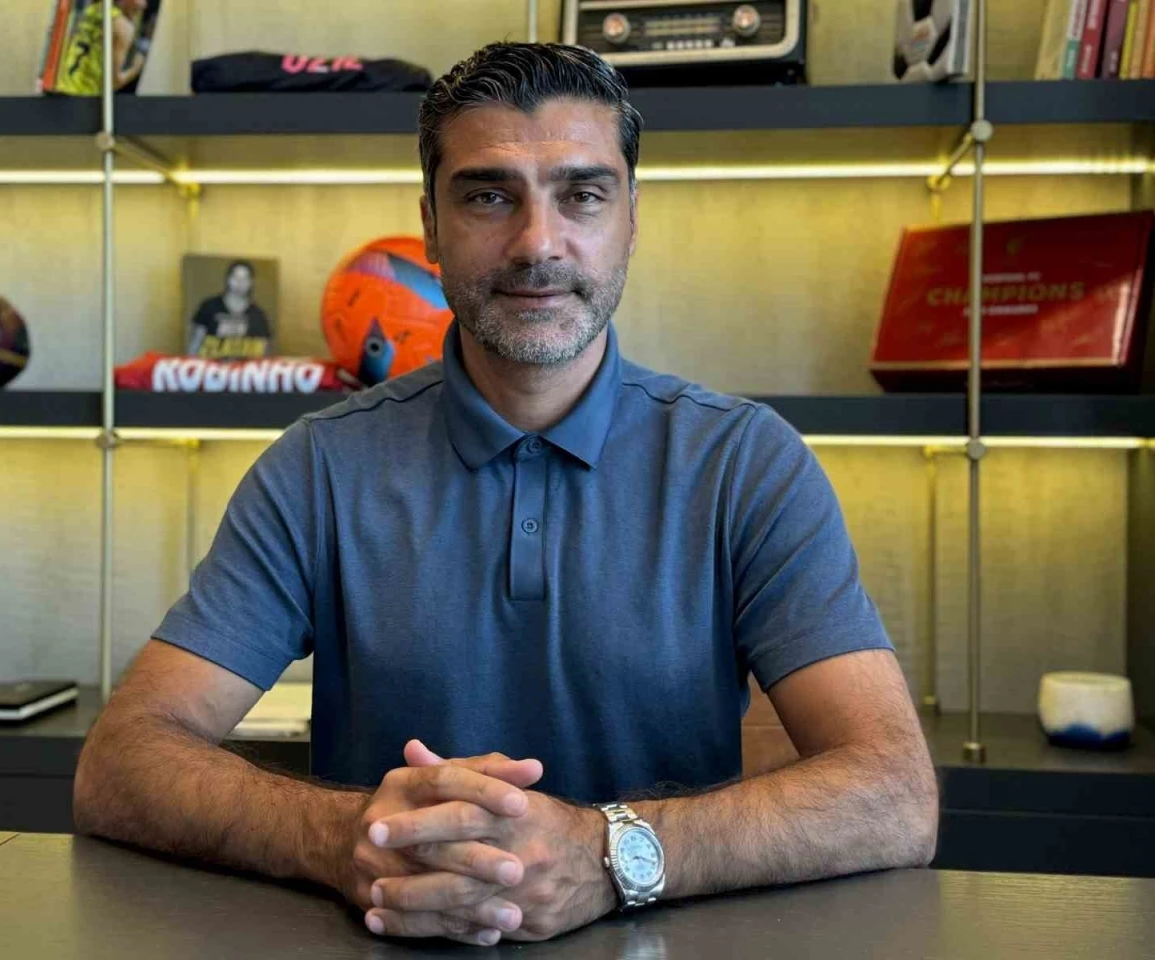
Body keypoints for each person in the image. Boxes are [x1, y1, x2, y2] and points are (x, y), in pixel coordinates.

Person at [74, 42, 938, 947]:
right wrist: (343, 837)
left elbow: (895, 794)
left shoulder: (746, 465)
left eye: (583, 195)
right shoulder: (318, 468)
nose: (537, 244)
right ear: (430, 226)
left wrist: (607, 854)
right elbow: (120, 762)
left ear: (632, 219)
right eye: (488, 197)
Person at [55, 0, 149, 95]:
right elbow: (112, 83)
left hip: (58, 87)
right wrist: (135, 69)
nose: (144, 5)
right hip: (82, 96)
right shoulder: (123, 27)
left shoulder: (92, 9)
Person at [187, 260, 272, 358]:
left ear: (251, 283)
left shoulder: (258, 315)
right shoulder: (209, 307)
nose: (240, 283)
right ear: (228, 279)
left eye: (245, 279)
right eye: (236, 277)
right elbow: (196, 343)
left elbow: (264, 352)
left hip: (244, 367)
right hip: (211, 366)